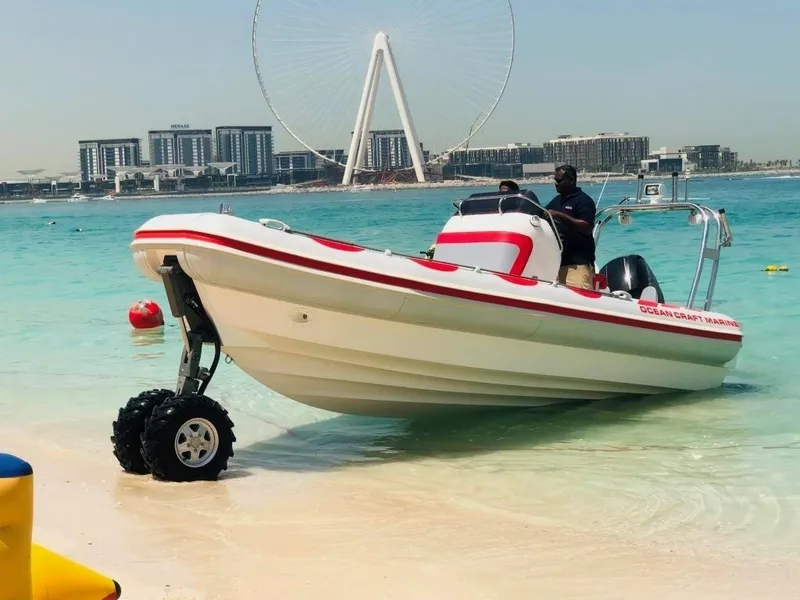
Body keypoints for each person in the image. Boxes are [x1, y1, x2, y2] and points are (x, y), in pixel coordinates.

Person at [545, 165, 596, 289]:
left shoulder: (583, 200)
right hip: (557, 263)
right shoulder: (556, 201)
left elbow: (587, 227)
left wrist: (560, 215)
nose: (556, 184)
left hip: (577, 264)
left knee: (579, 300)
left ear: (572, 180)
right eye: (555, 181)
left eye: (560, 181)